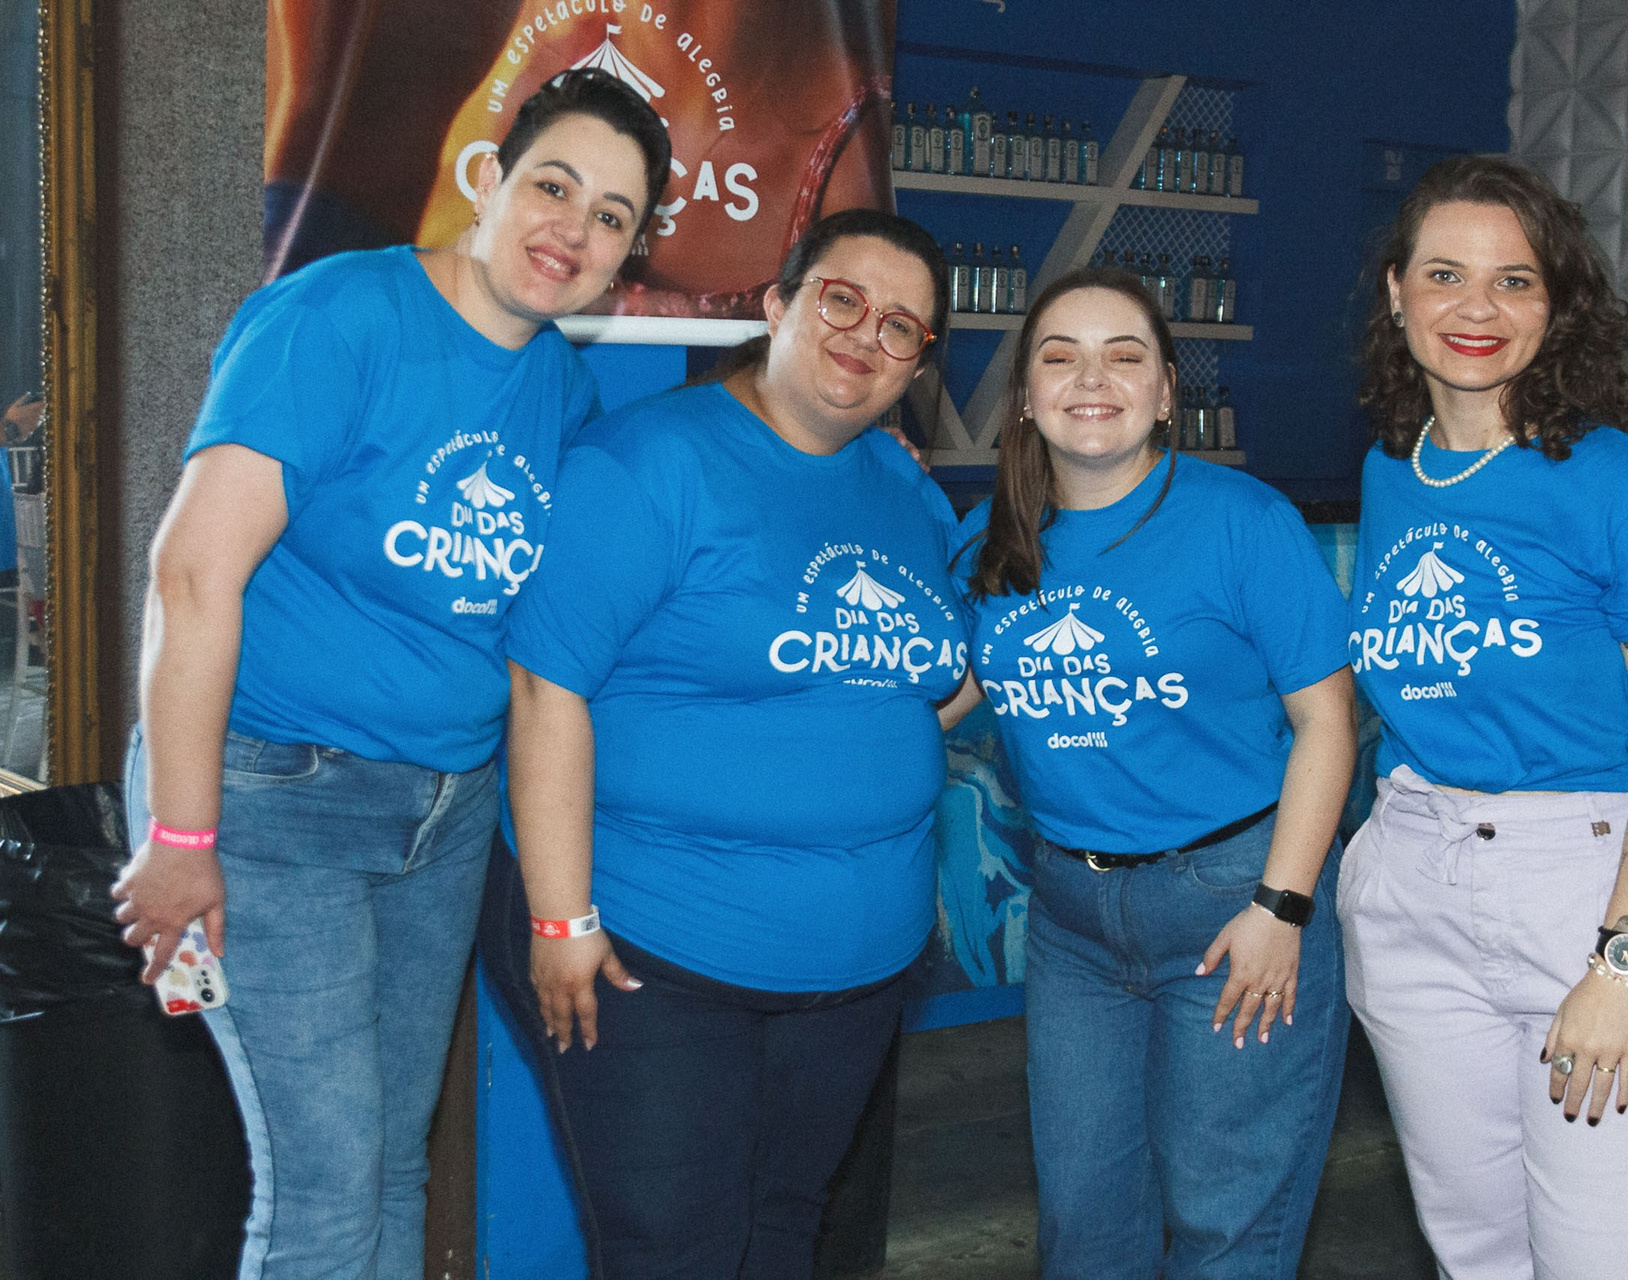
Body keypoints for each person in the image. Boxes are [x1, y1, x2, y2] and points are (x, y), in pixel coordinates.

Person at [110, 69, 671, 1279]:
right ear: (488, 177)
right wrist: (180, 836)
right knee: (323, 1188)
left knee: (393, 1160)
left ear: (627, 260)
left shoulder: (559, 386)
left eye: (611, 216)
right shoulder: (338, 316)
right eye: (554, 185)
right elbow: (192, 573)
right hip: (272, 800)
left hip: (444, 813)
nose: (572, 229)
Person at [482, 207, 965, 1278]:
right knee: (677, 1251)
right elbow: (544, 685)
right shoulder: (650, 461)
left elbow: (926, 681)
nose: (865, 334)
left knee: (784, 1226)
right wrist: (560, 917)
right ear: (779, 305)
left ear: (917, 362)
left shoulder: (906, 491)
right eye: (842, 299)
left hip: (857, 968)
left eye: (901, 326)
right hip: (655, 949)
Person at [1342, 154, 1628, 1278]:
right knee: (1476, 1253)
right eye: (1446, 275)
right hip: (1416, 882)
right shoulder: (1393, 468)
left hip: (1590, 890)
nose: (1477, 308)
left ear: (1557, 306)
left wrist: (1623, 964)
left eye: (1514, 281)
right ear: (1396, 291)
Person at [946, 266, 1356, 1278]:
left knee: (1226, 1224)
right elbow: (938, 700)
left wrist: (1282, 908)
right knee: (1083, 1224)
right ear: (1026, 396)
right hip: (1072, 919)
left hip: (1233, 899)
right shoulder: (990, 542)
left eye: (1124, 356)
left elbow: (1326, 723)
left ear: (1167, 391)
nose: (1093, 379)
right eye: (1061, 357)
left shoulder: (1241, 519)